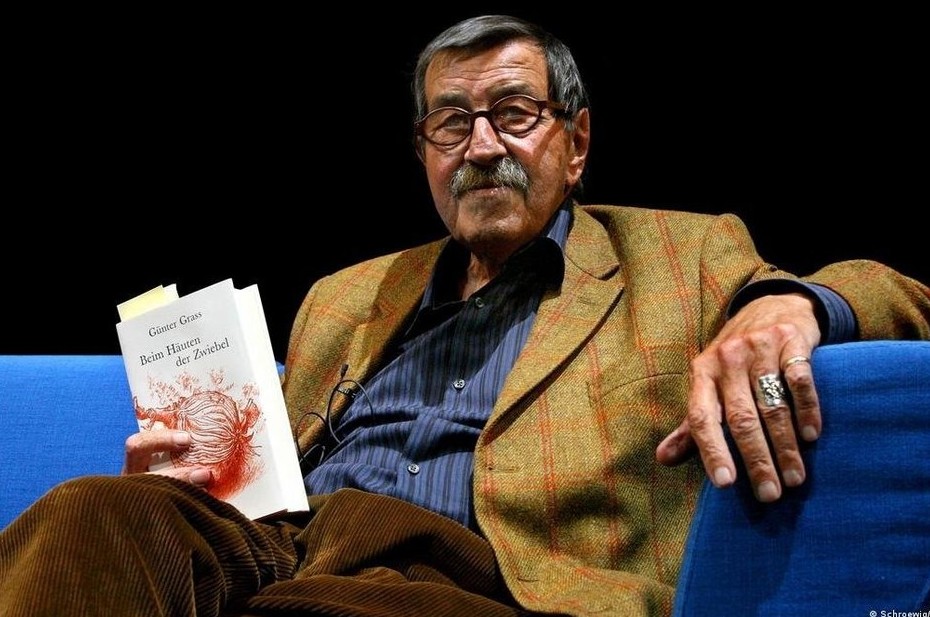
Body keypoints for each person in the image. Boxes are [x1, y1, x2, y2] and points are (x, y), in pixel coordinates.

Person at [2, 14, 929, 617]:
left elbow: (901, 294)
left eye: (513, 113)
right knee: (90, 513)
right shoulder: (345, 293)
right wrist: (196, 484)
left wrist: (787, 306)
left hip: (481, 573)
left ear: (576, 142)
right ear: (425, 154)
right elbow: (265, 479)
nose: (482, 146)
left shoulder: (682, 253)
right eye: (452, 123)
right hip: (294, 542)